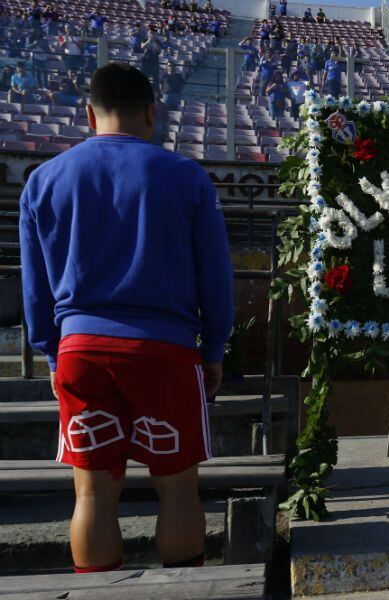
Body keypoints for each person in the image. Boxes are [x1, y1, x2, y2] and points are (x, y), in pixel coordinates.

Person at [19, 63, 233, 575]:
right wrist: (215, 348)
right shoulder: (187, 177)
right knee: (178, 488)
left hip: (80, 349)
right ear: (152, 113)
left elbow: (34, 289)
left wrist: (51, 350)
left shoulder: (44, 180)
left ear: (90, 113)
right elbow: (217, 276)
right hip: (167, 352)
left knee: (91, 494)